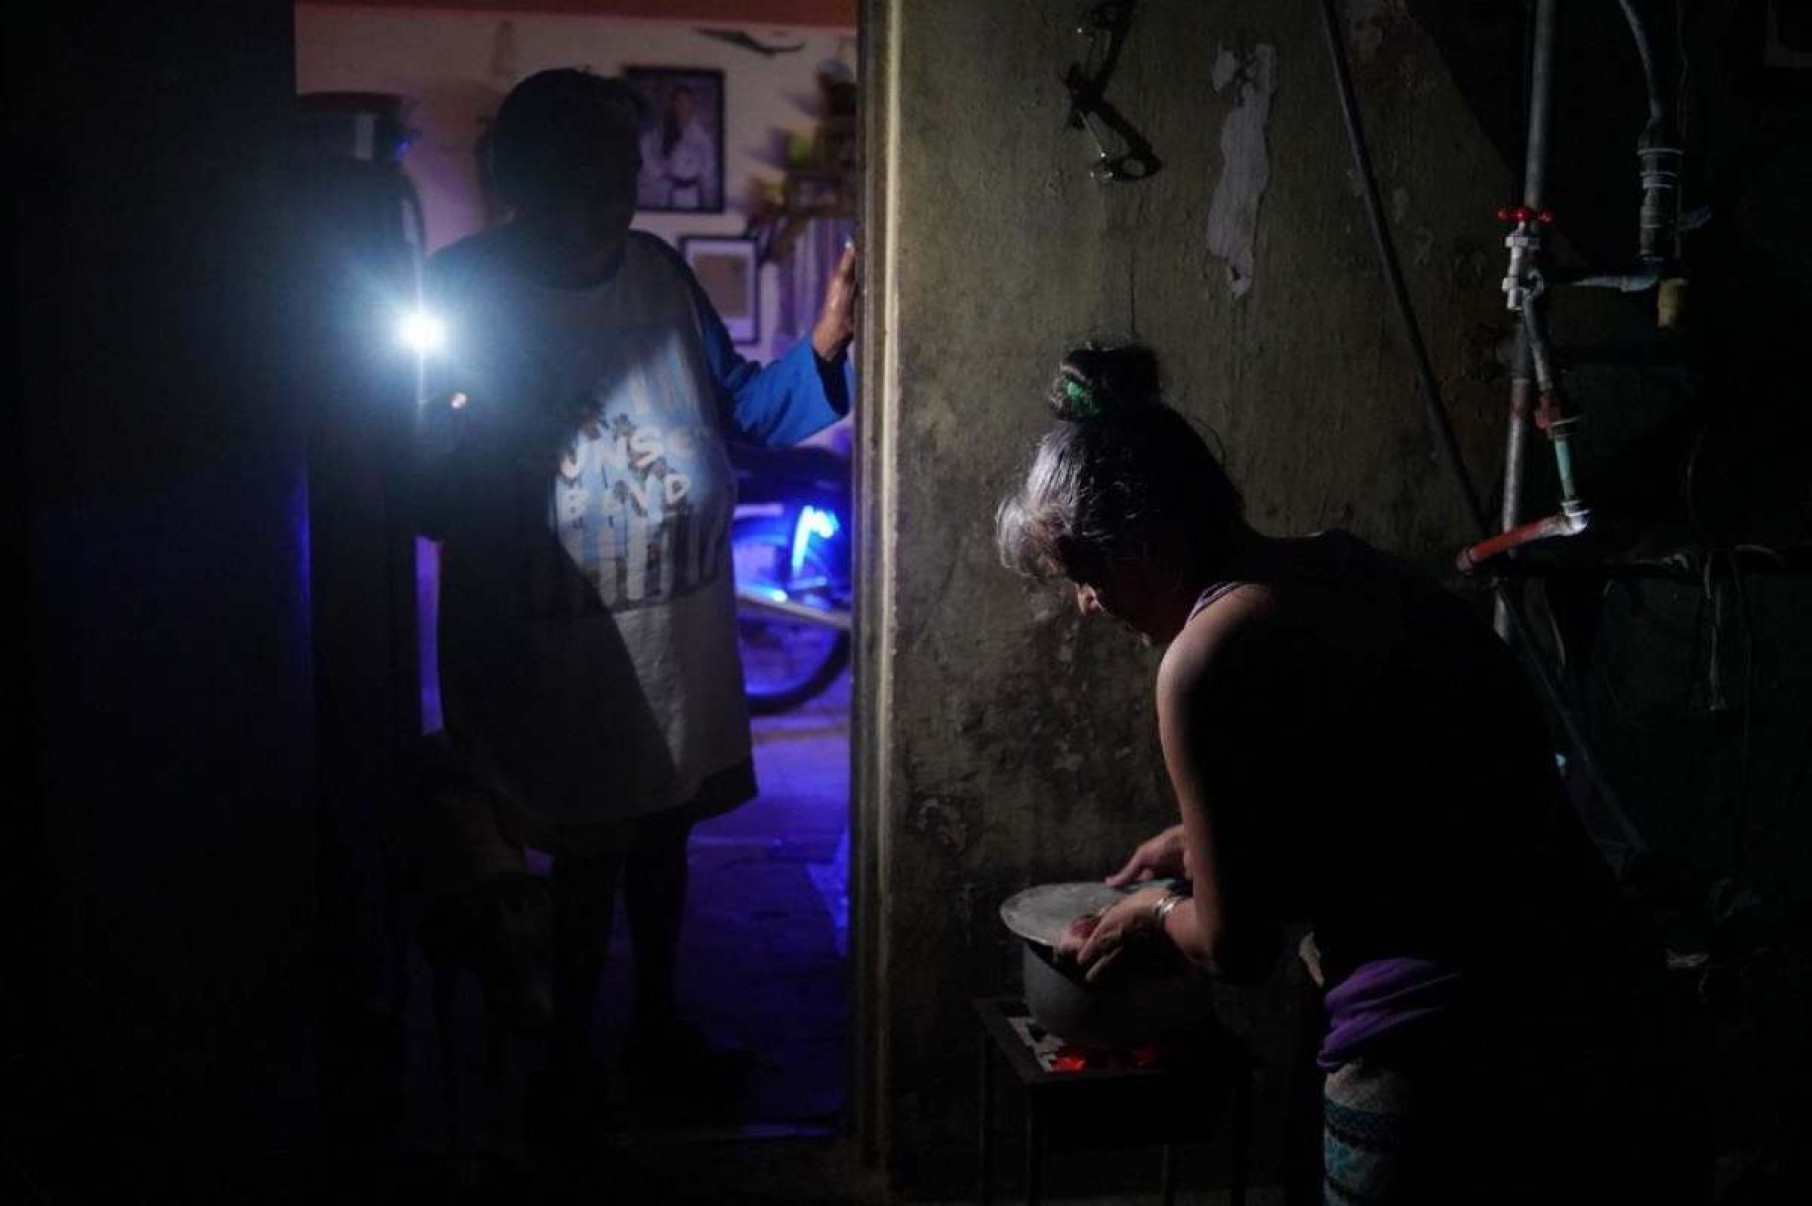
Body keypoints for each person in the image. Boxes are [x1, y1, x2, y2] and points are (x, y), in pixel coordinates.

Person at [996, 345, 1707, 1204]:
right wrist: (1212, 842)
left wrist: (1153, 915)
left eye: (1087, 574)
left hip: (1445, 1056)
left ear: (1144, 540)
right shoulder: (1342, 564)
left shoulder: (1203, 659)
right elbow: (1405, 800)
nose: (1087, 604)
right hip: (1606, 1005)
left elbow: (1237, 946)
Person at [413, 68, 856, 1125]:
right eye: (595, 164)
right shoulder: (460, 288)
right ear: (526, 176)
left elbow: (746, 407)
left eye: (627, 165)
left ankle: (653, 1029)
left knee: (661, 840)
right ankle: (565, 1061)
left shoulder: (658, 273)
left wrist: (829, 343)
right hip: (548, 640)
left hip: (671, 633)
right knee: (575, 854)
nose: (622, 188)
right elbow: (415, 468)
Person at [637, 83, 718, 211]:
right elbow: (645, 155)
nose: (683, 106)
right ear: (672, 104)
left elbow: (708, 168)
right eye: (679, 102)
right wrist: (661, 173)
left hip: (689, 194)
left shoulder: (702, 138)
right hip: (661, 192)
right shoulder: (657, 134)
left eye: (687, 102)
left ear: (692, 106)